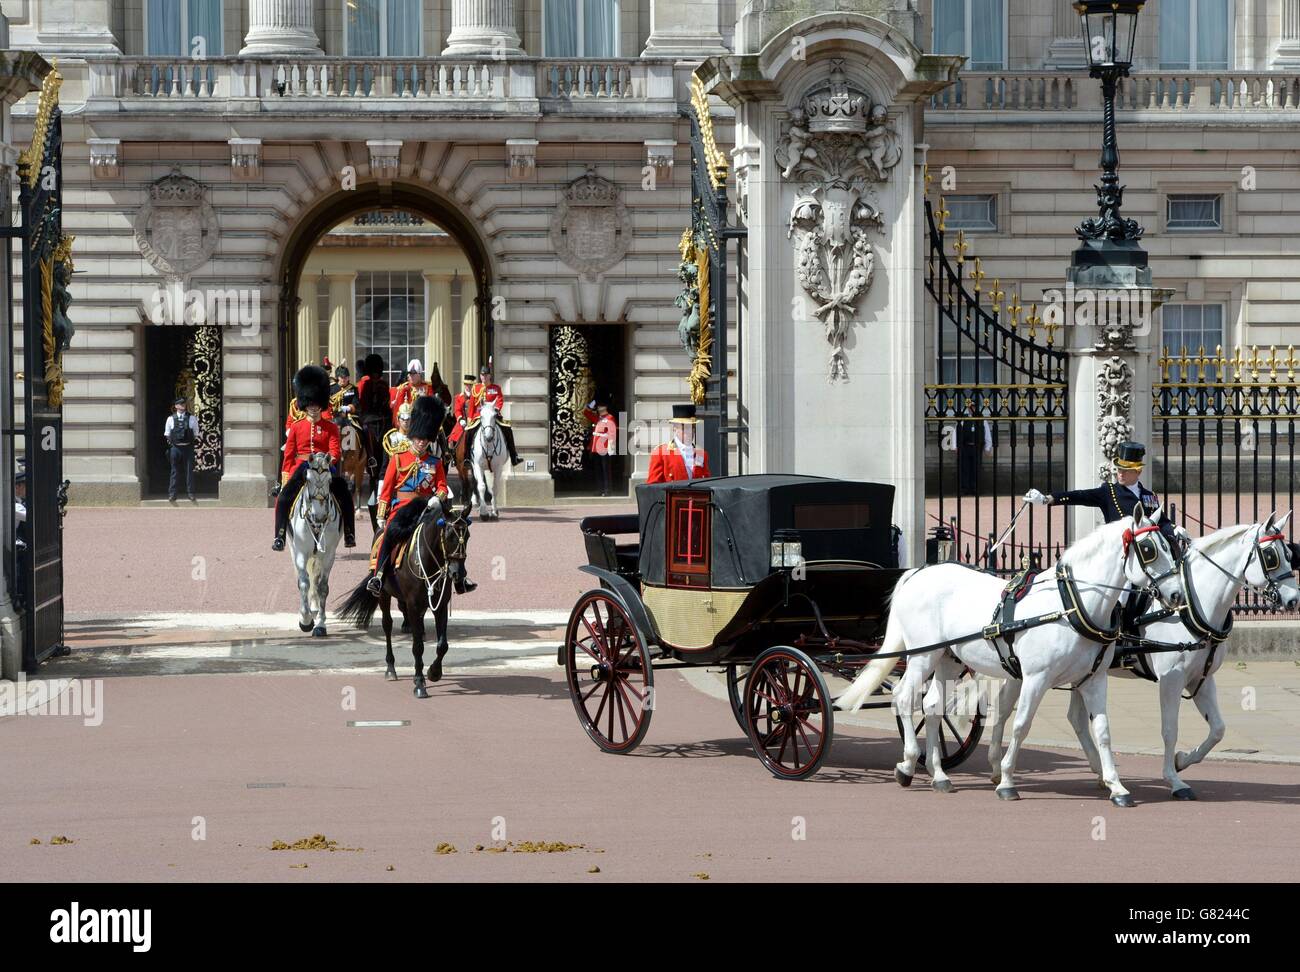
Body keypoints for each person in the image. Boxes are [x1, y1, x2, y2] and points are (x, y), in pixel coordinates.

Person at [1025, 440, 1185, 634]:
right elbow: (1081, 496)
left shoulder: (1149, 496)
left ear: (1138, 471)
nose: (1120, 473)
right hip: (1119, 558)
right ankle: (1117, 635)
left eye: (1125, 470)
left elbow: (1161, 522)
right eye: (1118, 469)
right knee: (1120, 600)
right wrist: (1048, 499)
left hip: (1142, 557)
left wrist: (1174, 530)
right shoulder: (1109, 491)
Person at [366, 395, 476, 596]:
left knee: (452, 534)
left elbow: (442, 486)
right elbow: (387, 489)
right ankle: (378, 576)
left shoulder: (434, 462)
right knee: (388, 535)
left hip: (428, 508)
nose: (421, 443)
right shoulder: (398, 458)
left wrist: (438, 497)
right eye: (418, 439)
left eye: (425, 440)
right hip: (402, 508)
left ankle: (459, 578)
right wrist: (381, 515)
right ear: (412, 437)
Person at [272, 364, 357, 551]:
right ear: (305, 404)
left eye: (316, 404)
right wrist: (286, 475)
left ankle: (349, 533)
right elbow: (289, 454)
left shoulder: (331, 427)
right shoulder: (296, 426)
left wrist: (325, 462)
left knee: (344, 493)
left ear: (321, 404)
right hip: (301, 466)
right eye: (310, 404)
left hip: (325, 466)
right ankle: (279, 536)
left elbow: (335, 451)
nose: (313, 408)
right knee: (284, 497)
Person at [468, 362, 522, 466]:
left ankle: (514, 456)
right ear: (480, 376)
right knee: (468, 433)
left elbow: (500, 400)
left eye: (486, 375)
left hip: (493, 416)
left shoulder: (496, 388)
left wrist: (496, 409)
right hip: (478, 416)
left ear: (490, 376)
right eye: (482, 375)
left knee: (508, 429)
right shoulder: (476, 388)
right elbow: (471, 405)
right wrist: (470, 418)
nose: (484, 377)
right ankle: (466, 457)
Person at [647, 403, 710, 483]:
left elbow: (706, 483)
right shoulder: (660, 454)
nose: (690, 431)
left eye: (692, 427)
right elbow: (653, 488)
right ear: (675, 428)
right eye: (685, 427)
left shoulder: (701, 454)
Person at [164, 396, 199, 503]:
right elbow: (167, 434)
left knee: (189, 471)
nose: (182, 405)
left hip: (187, 447)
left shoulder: (192, 418)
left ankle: (191, 493)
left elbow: (196, 433)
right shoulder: (170, 419)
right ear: (176, 406)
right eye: (180, 404)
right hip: (175, 448)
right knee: (174, 471)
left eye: (183, 404)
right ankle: (172, 494)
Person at [956, 400, 992, 494]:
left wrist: (987, 448)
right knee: (965, 468)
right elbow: (956, 432)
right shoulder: (963, 419)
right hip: (965, 447)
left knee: (975, 468)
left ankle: (974, 488)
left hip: (977, 447)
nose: (972, 409)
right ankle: (964, 488)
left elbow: (987, 434)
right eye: (970, 407)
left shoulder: (982, 420)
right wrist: (955, 446)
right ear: (968, 408)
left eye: (974, 407)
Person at [586, 399, 618, 496]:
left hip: (604, 447)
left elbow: (612, 433)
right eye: (598, 406)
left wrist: (611, 447)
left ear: (605, 407)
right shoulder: (597, 418)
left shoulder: (610, 417)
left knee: (606, 470)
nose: (598, 408)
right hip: (596, 447)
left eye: (600, 406)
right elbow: (586, 413)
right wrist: (592, 403)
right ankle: (600, 489)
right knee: (598, 470)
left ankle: (607, 490)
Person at [389, 359, 432, 428]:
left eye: (414, 374)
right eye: (409, 373)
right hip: (408, 423)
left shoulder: (428, 387)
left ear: (419, 374)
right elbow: (398, 411)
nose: (410, 376)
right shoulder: (404, 389)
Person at [449, 373, 475, 450]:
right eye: (467, 384)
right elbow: (457, 410)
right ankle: (452, 456)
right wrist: (460, 420)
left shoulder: (476, 397)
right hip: (462, 421)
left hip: (473, 421)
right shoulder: (458, 397)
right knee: (453, 437)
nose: (468, 386)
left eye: (470, 385)